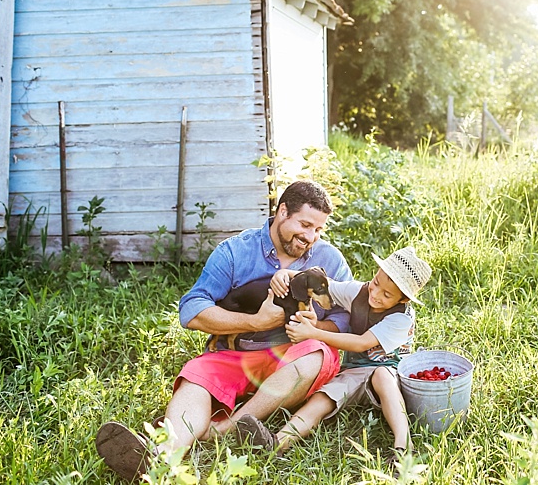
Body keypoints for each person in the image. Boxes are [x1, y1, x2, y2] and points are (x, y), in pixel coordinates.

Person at [95, 180, 352, 482]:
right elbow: (191, 310)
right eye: (305, 225)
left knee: (317, 355)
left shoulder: (330, 259)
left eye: (318, 230)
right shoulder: (234, 252)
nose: (310, 237)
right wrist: (256, 322)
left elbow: (348, 315)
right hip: (234, 353)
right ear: (282, 211)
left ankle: (225, 428)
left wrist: (314, 328)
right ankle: (160, 459)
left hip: (295, 356)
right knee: (197, 378)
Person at [233, 246, 431, 465]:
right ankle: (277, 443)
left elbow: (361, 342)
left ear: (402, 300)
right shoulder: (357, 291)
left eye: (386, 294)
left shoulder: (401, 318)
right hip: (355, 372)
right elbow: (314, 280)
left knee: (382, 375)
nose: (375, 294)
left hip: (390, 376)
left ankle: (404, 447)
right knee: (323, 397)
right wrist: (283, 275)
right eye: (376, 283)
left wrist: (314, 332)